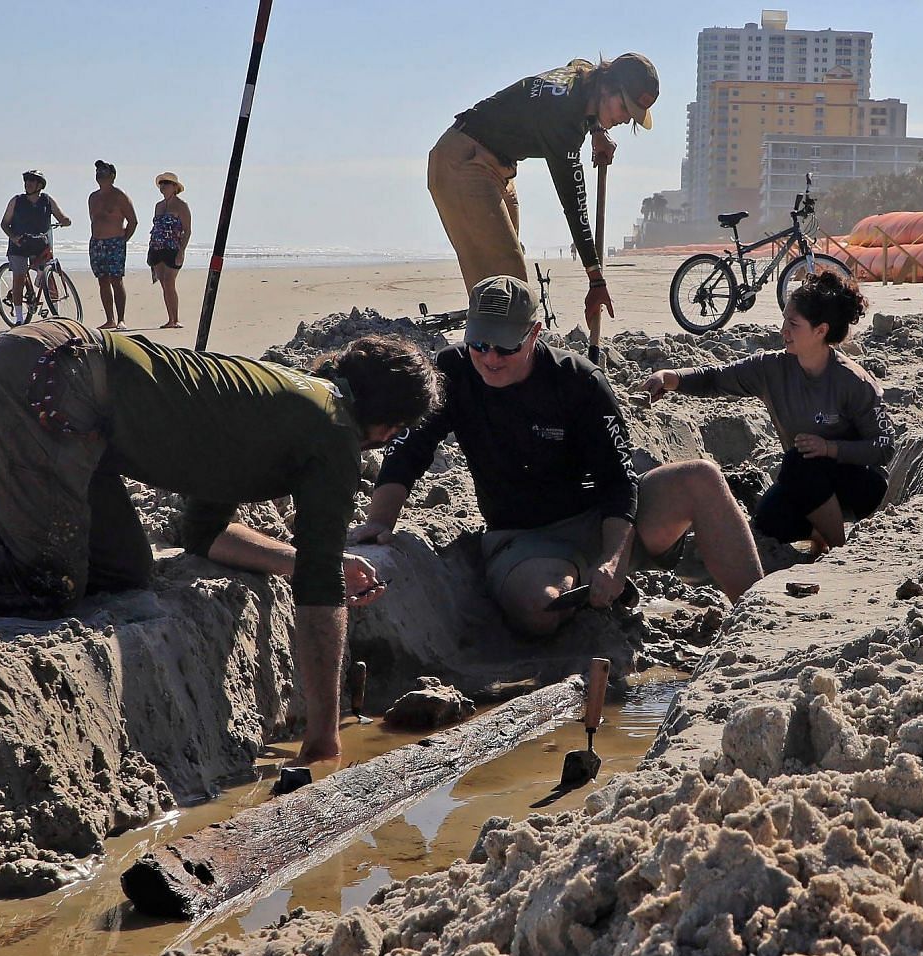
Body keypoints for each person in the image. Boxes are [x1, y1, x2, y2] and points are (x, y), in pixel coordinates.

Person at [0, 323, 440, 764]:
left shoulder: (294, 403)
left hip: (60, 377)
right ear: (388, 425)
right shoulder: (334, 435)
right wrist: (323, 740)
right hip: (47, 383)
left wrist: (307, 561)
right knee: (47, 583)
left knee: (121, 571)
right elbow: (320, 593)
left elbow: (203, 533)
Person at [355, 275, 763, 637]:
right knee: (540, 607)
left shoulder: (579, 380)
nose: (491, 358)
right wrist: (378, 522)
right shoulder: (453, 373)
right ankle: (589, 596)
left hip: (607, 521)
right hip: (525, 538)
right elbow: (409, 449)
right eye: (479, 344)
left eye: (505, 347)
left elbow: (618, 480)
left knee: (701, 477)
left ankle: (760, 616)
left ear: (534, 334)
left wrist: (613, 557)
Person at [640, 272, 894, 550]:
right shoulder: (772, 369)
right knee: (769, 520)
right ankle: (819, 532)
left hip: (859, 483)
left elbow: (883, 446)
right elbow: (716, 377)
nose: (782, 330)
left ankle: (837, 546)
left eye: (793, 324)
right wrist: (669, 378)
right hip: (807, 482)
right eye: (784, 319)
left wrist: (830, 448)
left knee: (798, 462)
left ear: (820, 331)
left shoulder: (853, 381)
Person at [429, 53, 660, 326]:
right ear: (608, 87)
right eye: (625, 108)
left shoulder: (585, 77)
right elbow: (574, 204)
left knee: (509, 278)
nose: (625, 119)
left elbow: (579, 61)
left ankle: (500, 342)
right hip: (462, 161)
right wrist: (596, 279)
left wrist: (597, 130)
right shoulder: (563, 117)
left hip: (497, 167)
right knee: (508, 278)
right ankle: (492, 351)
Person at [1, 170, 71, 310]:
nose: (28, 184)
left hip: (40, 245)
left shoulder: (47, 200)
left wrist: (65, 221)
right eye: (26, 181)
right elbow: (4, 223)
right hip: (20, 245)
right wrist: (14, 237)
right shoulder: (16, 201)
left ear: (40, 185)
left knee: (48, 275)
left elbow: (62, 217)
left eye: (32, 181)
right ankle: (19, 318)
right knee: (19, 278)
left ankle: (55, 310)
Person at [87, 161, 138, 330]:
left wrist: (123, 240)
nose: (100, 174)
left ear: (112, 176)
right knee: (102, 281)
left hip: (115, 242)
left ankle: (121, 319)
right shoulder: (93, 197)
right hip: (96, 243)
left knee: (116, 280)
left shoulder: (119, 196)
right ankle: (110, 319)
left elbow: (133, 221)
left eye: (103, 171)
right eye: (98, 171)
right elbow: (94, 220)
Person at [146, 172, 191, 329]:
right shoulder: (158, 206)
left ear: (174, 187)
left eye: (167, 183)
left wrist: (182, 251)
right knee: (164, 283)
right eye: (162, 183)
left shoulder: (181, 205)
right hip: (157, 246)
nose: (163, 186)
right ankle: (170, 318)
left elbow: (187, 230)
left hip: (173, 247)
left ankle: (175, 319)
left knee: (170, 281)